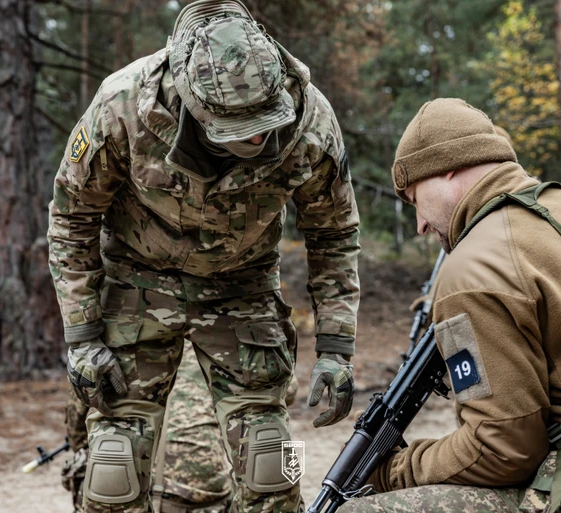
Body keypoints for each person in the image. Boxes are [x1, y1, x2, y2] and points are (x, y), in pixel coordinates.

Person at [47, 0, 360, 511]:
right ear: (195, 103)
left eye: (266, 121)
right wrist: (82, 336)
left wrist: (336, 348)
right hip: (135, 284)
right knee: (113, 468)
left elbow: (334, 233)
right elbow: (71, 217)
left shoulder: (310, 125)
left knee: (273, 469)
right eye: (241, 127)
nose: (259, 138)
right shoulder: (123, 105)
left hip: (244, 290)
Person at [340, 98, 561, 512]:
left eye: (414, 198)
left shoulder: (473, 265)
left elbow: (502, 450)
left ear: (446, 166)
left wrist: (392, 470)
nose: (421, 224)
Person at [62, 342, 299, 513]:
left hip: (137, 493)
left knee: (95, 459)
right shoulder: (227, 343)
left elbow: (76, 434)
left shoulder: (122, 345)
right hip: (213, 498)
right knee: (268, 442)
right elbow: (286, 394)